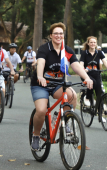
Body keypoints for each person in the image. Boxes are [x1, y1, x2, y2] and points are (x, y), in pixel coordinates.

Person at [30, 22, 93, 151]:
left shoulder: (67, 50)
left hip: (57, 84)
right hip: (40, 84)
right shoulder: (44, 48)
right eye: (56, 33)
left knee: (72, 96)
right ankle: (36, 136)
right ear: (51, 36)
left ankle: (64, 120)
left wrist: (86, 78)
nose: (58, 36)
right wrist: (40, 76)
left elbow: (76, 65)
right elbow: (40, 63)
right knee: (41, 111)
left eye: (61, 33)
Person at [79, 37, 107, 113]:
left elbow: (105, 61)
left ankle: (100, 112)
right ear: (88, 43)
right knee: (92, 82)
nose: (93, 44)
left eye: (94, 42)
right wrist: (83, 70)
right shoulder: (84, 53)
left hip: (96, 73)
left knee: (99, 91)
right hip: (86, 74)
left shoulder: (99, 52)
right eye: (91, 42)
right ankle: (88, 98)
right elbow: (81, 64)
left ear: (96, 44)